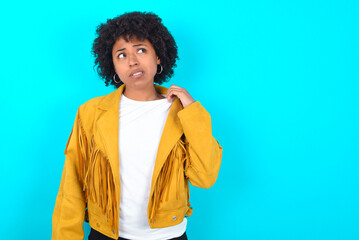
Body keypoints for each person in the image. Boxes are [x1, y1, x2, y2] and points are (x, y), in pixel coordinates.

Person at [52, 11, 223, 240]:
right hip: (105, 234)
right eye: (121, 55)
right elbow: (71, 186)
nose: (132, 61)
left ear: (158, 56)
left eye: (141, 50)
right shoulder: (91, 113)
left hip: (168, 235)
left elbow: (205, 177)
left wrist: (193, 113)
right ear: (112, 65)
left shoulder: (183, 113)